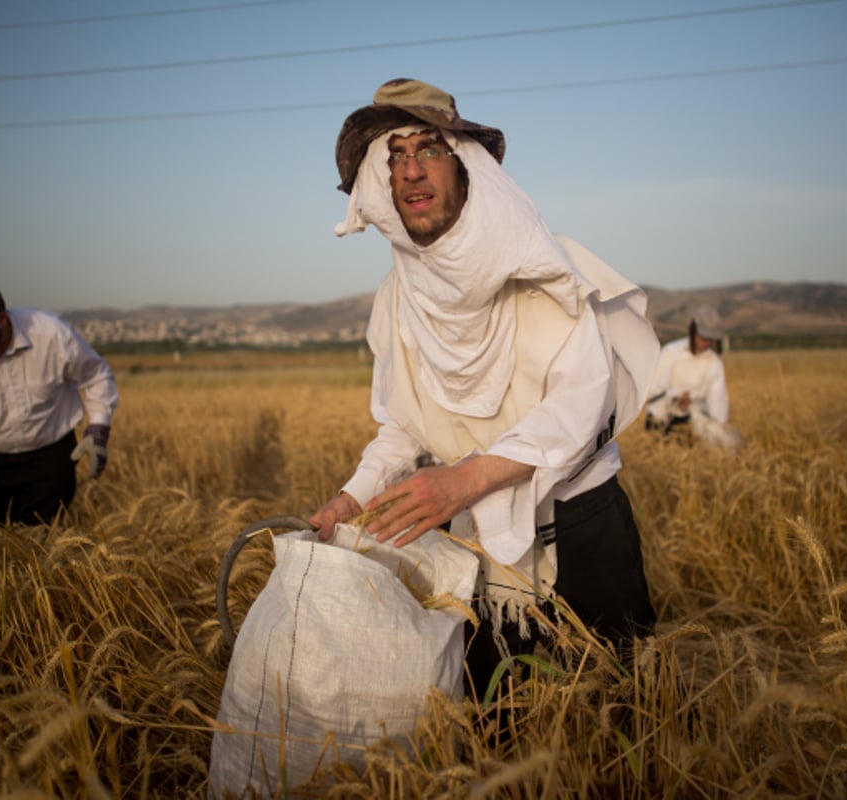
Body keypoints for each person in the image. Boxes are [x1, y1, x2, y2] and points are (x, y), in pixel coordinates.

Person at [309, 78, 660, 692]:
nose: (411, 170)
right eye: (395, 156)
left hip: (582, 525)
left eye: (429, 150)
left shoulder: (545, 268)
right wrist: (353, 498)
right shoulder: (397, 300)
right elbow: (401, 424)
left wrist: (462, 480)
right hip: (471, 541)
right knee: (496, 720)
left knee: (621, 711)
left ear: (467, 168)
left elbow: (579, 409)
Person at [0, 278, 119, 525]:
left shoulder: (51, 334)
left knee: (43, 546)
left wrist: (97, 430)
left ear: (1, 319)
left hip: (51, 465)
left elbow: (96, 376)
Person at [644, 305, 730, 438]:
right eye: (704, 337)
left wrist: (719, 430)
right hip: (662, 418)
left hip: (694, 422)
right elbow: (653, 390)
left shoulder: (714, 362)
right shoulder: (671, 352)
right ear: (693, 331)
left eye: (711, 339)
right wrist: (675, 397)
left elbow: (718, 404)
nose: (707, 342)